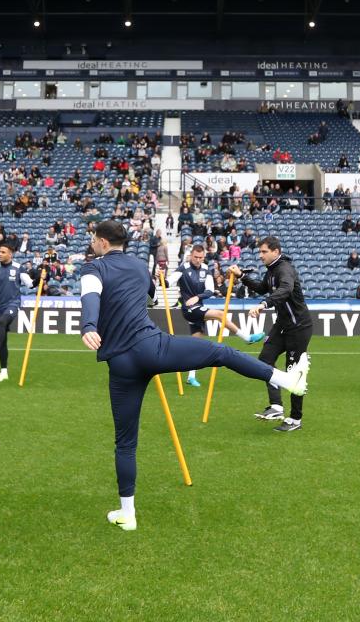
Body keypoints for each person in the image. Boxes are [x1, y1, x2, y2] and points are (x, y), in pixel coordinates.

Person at [80, 221, 309, 532]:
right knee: (220, 353)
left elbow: (91, 298)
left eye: (94, 239)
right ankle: (284, 380)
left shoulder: (93, 269)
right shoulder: (139, 267)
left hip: (121, 364)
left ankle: (127, 514)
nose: (93, 243)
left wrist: (90, 326)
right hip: (154, 348)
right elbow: (149, 299)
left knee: (125, 443)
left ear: (103, 242)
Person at [229, 236, 313, 432]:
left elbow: (286, 289)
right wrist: (242, 276)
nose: (261, 256)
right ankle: (276, 406)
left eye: (264, 252)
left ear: (276, 251)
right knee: (264, 361)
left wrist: (264, 304)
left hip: (298, 328)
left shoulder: (285, 269)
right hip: (282, 327)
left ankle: (295, 419)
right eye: (260, 252)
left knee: (294, 375)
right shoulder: (271, 271)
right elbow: (261, 287)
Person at [174, 243, 265, 386]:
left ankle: (191, 377)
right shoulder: (182, 269)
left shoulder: (206, 270)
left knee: (197, 344)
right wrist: (161, 277)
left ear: (204, 257)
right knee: (220, 314)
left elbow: (210, 291)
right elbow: (168, 281)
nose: (198, 260)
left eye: (201, 257)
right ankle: (246, 337)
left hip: (199, 306)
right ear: (191, 255)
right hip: (188, 309)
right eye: (195, 257)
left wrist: (198, 297)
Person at [0, 243, 33, 383]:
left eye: (3, 252)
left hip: (13, 304)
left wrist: (39, 276)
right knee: (2, 340)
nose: (0, 254)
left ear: (10, 254)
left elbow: (29, 284)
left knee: (3, 322)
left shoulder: (18, 268)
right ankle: (4, 371)